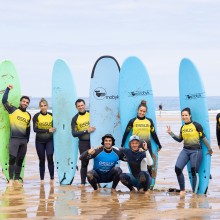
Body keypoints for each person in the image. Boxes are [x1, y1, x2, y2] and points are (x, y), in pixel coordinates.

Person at [167, 107, 213, 196]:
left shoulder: (197, 125)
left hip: (196, 151)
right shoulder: (182, 127)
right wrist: (171, 133)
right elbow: (180, 139)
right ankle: (182, 190)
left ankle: (194, 193)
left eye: (186, 115)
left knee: (194, 171)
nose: (184, 117)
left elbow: (203, 138)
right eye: (183, 115)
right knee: (177, 168)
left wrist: (210, 149)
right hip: (185, 150)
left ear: (190, 115)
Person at [121, 100, 162, 175]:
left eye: (144, 111)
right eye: (141, 111)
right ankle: (138, 182)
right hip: (135, 146)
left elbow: (153, 134)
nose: (142, 113)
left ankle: (148, 183)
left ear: (146, 112)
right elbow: (126, 133)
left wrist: (159, 144)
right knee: (136, 165)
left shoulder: (149, 121)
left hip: (147, 146)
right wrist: (122, 144)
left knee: (149, 164)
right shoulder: (132, 121)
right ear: (137, 110)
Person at [2, 85, 31, 187]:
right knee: (12, 159)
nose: (25, 103)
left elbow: (28, 129)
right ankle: (10, 180)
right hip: (14, 139)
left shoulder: (28, 115)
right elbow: (4, 101)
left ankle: (17, 179)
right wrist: (8, 89)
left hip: (23, 141)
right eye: (24, 101)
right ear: (20, 102)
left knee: (20, 160)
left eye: (27, 102)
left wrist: (26, 141)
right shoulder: (13, 110)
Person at [71, 99, 96, 186]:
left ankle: (97, 181)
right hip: (83, 143)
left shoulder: (91, 114)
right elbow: (74, 134)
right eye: (79, 106)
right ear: (76, 107)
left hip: (94, 141)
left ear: (85, 105)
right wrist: (86, 131)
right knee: (84, 163)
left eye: (82, 105)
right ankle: (83, 183)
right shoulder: (75, 119)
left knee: (98, 160)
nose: (81, 107)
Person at [33, 98, 56, 185]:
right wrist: (47, 130)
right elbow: (35, 129)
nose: (43, 107)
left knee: (50, 157)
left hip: (50, 140)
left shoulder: (51, 115)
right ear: (39, 106)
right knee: (41, 159)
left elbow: (55, 127)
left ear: (47, 106)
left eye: (45, 105)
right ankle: (42, 179)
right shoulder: (36, 116)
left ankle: (52, 178)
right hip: (39, 141)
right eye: (41, 106)